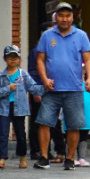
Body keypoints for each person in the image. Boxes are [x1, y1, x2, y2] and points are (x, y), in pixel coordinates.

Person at [34, 3, 90, 170]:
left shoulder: (81, 35)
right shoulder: (47, 35)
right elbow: (40, 59)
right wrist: (44, 79)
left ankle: (70, 159)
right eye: (61, 15)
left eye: (68, 16)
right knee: (44, 122)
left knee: (74, 125)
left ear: (72, 17)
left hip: (74, 88)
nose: (64, 19)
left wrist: (89, 79)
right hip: (51, 88)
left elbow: (88, 60)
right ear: (56, 17)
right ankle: (44, 157)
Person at [0, 45, 44, 169]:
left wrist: (45, 87)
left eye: (15, 57)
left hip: (20, 108)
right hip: (4, 108)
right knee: (3, 133)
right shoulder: (0, 76)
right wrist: (7, 88)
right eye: (10, 57)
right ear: (5, 59)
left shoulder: (23, 74)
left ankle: (23, 157)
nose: (13, 60)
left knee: (20, 133)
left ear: (19, 59)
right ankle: (2, 159)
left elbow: (33, 87)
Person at [27, 21, 60, 162]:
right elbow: (33, 72)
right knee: (37, 121)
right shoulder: (36, 51)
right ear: (42, 33)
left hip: (53, 90)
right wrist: (36, 91)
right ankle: (36, 150)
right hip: (40, 89)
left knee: (51, 122)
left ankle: (47, 150)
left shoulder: (55, 49)